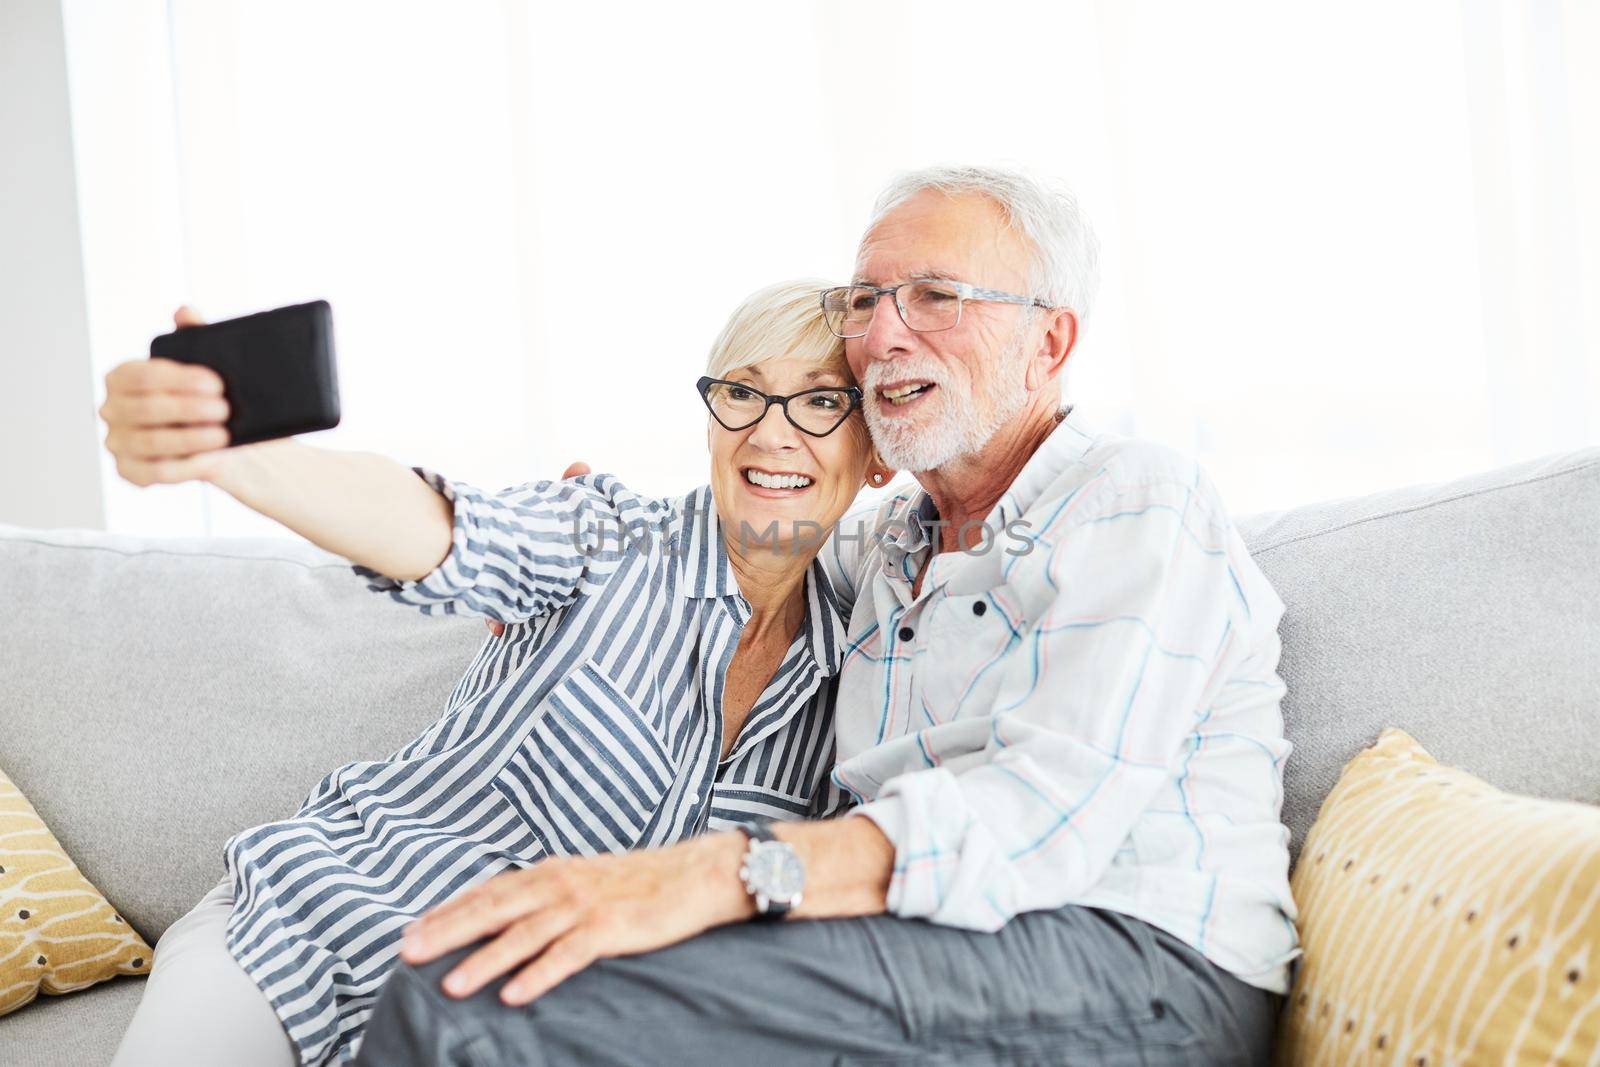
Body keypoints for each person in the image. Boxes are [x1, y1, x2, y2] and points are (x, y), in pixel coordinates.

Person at [356, 166, 1301, 1066]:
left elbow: (1040, 817)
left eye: (935, 295)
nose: (882, 334)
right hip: (925, 948)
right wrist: (592, 567)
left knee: (475, 996)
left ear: (1049, 344)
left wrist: (713, 875)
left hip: (1137, 966)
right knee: (476, 972)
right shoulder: (885, 548)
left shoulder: (1137, 498)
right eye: (866, 299)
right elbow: (735, 537)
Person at [97, 279, 894, 1067]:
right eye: (742, 394)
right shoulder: (606, 536)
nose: (770, 432)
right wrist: (243, 460)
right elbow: (440, 527)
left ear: (879, 456)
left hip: (497, 1032)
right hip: (298, 934)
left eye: (822, 403)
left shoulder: (857, 682)